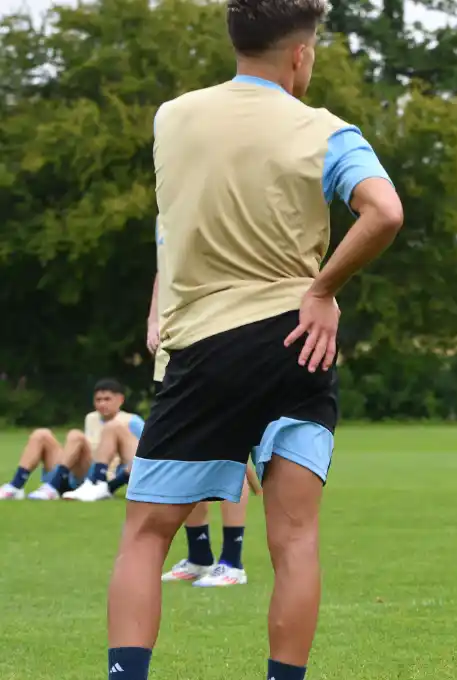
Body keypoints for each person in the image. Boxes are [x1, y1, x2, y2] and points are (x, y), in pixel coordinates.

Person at [104, 0, 403, 676]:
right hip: (299, 344)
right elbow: (384, 211)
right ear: (301, 54)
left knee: (147, 536)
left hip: (204, 348)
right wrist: (323, 289)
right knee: (295, 539)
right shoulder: (327, 130)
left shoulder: (171, 118)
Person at [147, 231, 262, 587]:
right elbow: (163, 271)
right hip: (173, 349)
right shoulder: (166, 210)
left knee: (230, 458)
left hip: (212, 345)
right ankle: (199, 557)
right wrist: (153, 320)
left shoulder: (212, 193)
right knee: (184, 456)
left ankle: (232, 561)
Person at [0, 379, 143, 501]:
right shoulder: (91, 417)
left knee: (76, 435)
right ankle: (15, 486)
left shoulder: (131, 421)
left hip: (102, 475)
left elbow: (142, 450)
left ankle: (56, 486)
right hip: (76, 470)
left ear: (120, 400)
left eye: (107, 399)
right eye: (98, 400)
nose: (102, 404)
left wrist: (121, 477)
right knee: (41, 434)